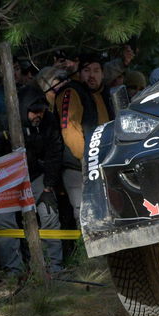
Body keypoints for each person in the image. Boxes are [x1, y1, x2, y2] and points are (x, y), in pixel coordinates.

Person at [0, 94, 64, 275]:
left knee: (49, 214)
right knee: (4, 222)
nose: (38, 115)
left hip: (35, 175)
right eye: (34, 111)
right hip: (5, 179)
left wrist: (48, 185)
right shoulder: (4, 122)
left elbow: (54, 153)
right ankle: (13, 271)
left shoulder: (47, 121)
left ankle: (53, 267)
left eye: (41, 110)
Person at [56, 53, 111, 210]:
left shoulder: (105, 94)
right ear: (79, 73)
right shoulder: (72, 92)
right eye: (87, 70)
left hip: (103, 163)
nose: (92, 75)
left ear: (103, 74)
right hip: (78, 165)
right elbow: (69, 129)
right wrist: (86, 159)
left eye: (96, 70)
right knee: (85, 212)